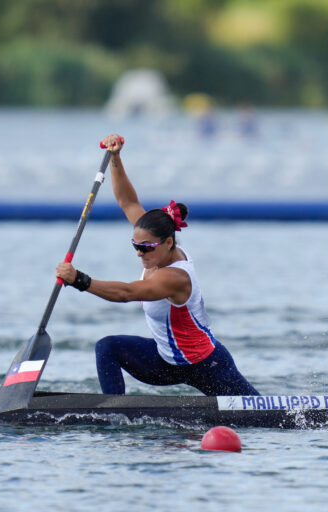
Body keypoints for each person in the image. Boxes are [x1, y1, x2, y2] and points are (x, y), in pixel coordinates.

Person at [56, 134, 259, 397]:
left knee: (266, 413)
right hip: (166, 363)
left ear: (168, 243)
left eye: (146, 247)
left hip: (206, 365)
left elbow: (127, 293)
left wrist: (79, 280)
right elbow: (127, 201)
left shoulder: (175, 277)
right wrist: (116, 158)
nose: (140, 252)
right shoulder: (152, 236)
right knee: (107, 348)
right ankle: (114, 415)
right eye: (135, 246)